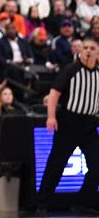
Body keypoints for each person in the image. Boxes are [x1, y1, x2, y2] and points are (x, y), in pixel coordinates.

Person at [38, 36, 99, 212]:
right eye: (85, 47)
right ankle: (42, 204)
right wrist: (51, 117)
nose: (87, 50)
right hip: (68, 123)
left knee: (97, 166)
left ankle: (82, 202)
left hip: (89, 125)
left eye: (92, 48)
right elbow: (54, 94)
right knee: (56, 165)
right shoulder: (70, 70)